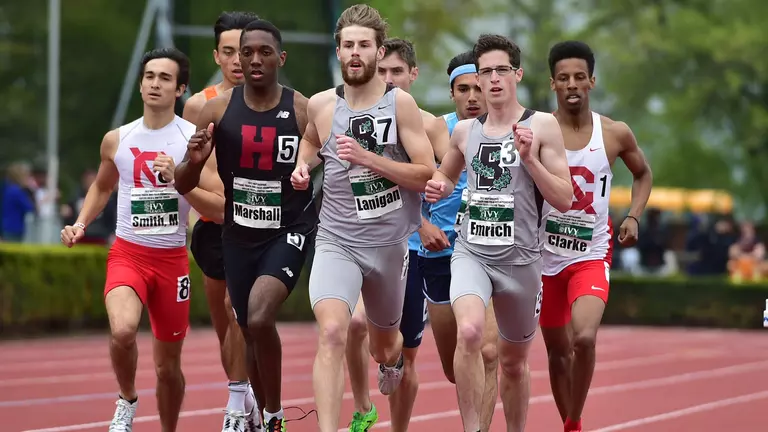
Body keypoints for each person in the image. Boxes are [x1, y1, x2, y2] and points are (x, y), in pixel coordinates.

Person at [290, 5, 436, 431]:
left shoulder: (401, 105)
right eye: (348, 45)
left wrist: (369, 158)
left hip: (389, 245)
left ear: (378, 51)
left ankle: (388, 362)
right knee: (334, 332)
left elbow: (425, 172)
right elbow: (311, 143)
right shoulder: (321, 104)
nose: (356, 52)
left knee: (384, 346)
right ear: (339, 50)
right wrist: (303, 168)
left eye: (364, 45)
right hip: (336, 238)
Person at [424, 34, 573, 432]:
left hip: (521, 262)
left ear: (517, 74)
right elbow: (446, 174)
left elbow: (564, 198)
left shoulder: (541, 126)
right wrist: (437, 183)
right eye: (484, 71)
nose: (492, 79)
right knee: (470, 332)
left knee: (512, 362)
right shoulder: (465, 132)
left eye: (500, 70)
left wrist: (530, 162)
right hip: (472, 253)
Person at [175, 19, 317, 432]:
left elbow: (330, 154)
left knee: (258, 317)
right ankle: (263, 412)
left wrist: (310, 166)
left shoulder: (303, 108)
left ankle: (273, 415)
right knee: (247, 328)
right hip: (237, 234)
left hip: (287, 230)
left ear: (280, 58)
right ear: (236, 58)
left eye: (264, 52)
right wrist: (195, 161)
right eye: (246, 52)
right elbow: (183, 183)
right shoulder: (215, 110)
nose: (255, 59)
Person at [60, 47, 196, 432]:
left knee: (168, 368)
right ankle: (127, 398)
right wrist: (82, 224)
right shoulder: (117, 139)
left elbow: (208, 196)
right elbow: (102, 188)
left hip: (172, 260)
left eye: (165, 78)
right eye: (149, 76)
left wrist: (180, 178)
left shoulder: (193, 140)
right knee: (122, 330)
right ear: (140, 85)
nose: (155, 83)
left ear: (180, 88)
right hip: (128, 254)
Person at [540, 40, 652, 432]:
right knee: (557, 354)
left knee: (584, 339)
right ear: (553, 83)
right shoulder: (538, 130)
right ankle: (568, 423)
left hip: (591, 253)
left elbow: (643, 173)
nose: (572, 85)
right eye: (564, 78)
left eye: (579, 77)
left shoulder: (615, 133)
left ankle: (574, 421)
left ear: (592, 81)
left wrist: (634, 215)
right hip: (544, 259)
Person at [343, 37, 447, 432]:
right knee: (353, 326)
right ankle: (362, 407)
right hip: (362, 242)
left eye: (396, 72)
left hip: (412, 252)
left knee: (407, 355)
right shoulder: (353, 117)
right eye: (382, 71)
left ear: (412, 75)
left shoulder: (429, 124)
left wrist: (434, 202)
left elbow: (445, 176)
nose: (387, 79)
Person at [181, 11, 262, 432]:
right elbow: (197, 173)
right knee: (223, 325)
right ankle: (244, 394)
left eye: (243, 51)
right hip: (216, 226)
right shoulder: (200, 106)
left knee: (239, 312)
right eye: (228, 52)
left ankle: (233, 408)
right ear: (217, 54)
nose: (236, 60)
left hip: (260, 227)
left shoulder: (278, 102)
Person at [420, 50, 501, 431]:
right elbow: (402, 188)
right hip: (438, 253)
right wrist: (421, 224)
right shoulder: (434, 131)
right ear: (452, 93)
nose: (472, 96)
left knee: (486, 351)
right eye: (463, 88)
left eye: (478, 87)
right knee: (457, 367)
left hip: (487, 253)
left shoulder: (510, 131)